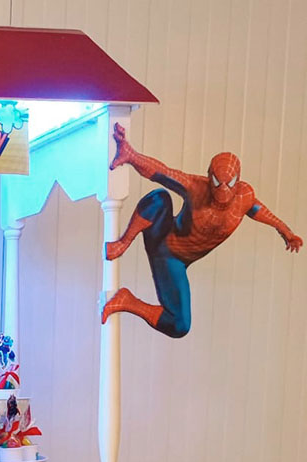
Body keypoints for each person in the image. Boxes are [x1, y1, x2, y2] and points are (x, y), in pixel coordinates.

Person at [103, 122, 301, 337]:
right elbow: (162, 172)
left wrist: (284, 230)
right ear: (209, 176)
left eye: (229, 183)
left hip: (178, 263)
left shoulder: (244, 196)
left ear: (238, 181)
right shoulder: (195, 187)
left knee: (179, 325)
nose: (223, 189)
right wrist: (130, 155)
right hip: (164, 242)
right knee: (160, 197)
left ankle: (128, 301)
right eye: (217, 181)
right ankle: (123, 243)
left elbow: (257, 210)